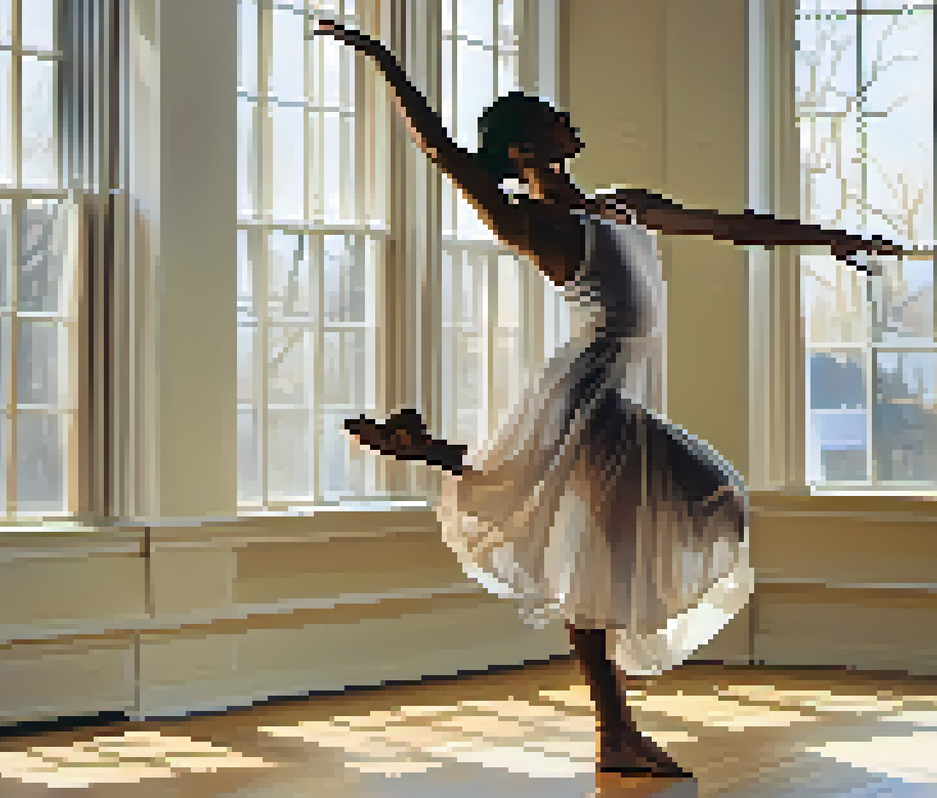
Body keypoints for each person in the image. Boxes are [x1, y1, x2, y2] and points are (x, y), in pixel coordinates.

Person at [318, 18, 899, 778]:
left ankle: (435, 452)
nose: (570, 122)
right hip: (588, 389)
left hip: (615, 391)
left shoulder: (621, 206)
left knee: (694, 507)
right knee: (605, 553)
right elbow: (443, 152)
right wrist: (384, 60)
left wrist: (828, 236)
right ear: (525, 150)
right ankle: (614, 731)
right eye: (550, 121)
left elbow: (728, 225)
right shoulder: (531, 221)